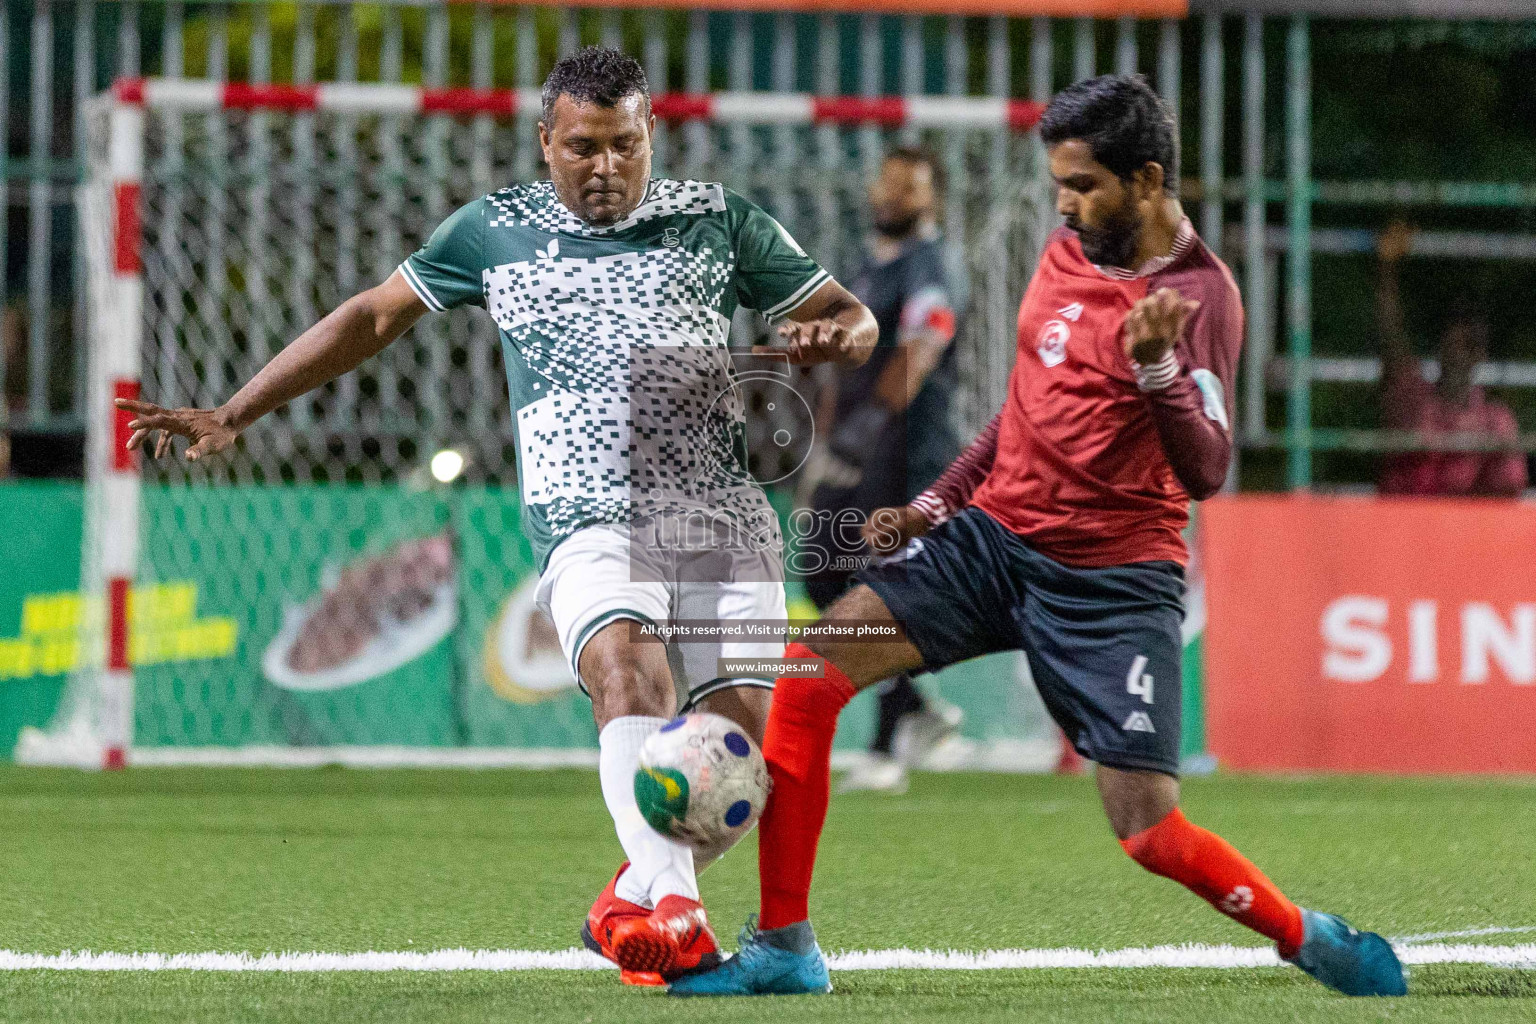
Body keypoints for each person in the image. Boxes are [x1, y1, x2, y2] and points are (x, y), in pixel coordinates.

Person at [114, 47, 876, 987]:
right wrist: (237, 410)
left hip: (717, 520)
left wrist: (827, 334)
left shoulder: (719, 220)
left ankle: (629, 898)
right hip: (587, 515)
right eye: (584, 147)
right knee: (622, 666)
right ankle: (677, 908)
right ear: (544, 142)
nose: (606, 167)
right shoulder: (492, 229)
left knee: (741, 760)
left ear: (652, 138)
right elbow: (370, 318)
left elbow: (856, 317)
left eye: (626, 146)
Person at [672, 74, 1407, 999]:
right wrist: (936, 506)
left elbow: (1209, 469)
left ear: (1147, 179)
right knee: (810, 676)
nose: (1064, 202)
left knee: (1148, 829)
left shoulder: (1200, 297)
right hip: (992, 542)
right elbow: (1022, 414)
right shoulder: (1064, 252)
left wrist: (1156, 371)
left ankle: (1306, 934)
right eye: (1059, 181)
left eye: (1084, 184)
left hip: (1111, 583)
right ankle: (784, 947)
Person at [803, 147, 964, 795]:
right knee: (820, 572)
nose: (895, 195)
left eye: (912, 188)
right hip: (858, 451)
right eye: (890, 182)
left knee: (874, 583)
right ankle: (914, 709)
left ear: (934, 201)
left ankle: (884, 742)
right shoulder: (868, 269)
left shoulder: (933, 266)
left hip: (908, 456)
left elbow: (922, 349)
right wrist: (827, 436)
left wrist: (868, 431)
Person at [1375, 221, 1526, 497]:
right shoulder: (1412, 396)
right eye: (1454, 342)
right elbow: (1390, 337)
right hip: (1400, 530)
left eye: (1469, 345)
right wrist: (1386, 269)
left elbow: (1509, 488)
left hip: (1457, 534)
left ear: (1481, 354)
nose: (1459, 353)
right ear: (1440, 346)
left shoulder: (1495, 421)